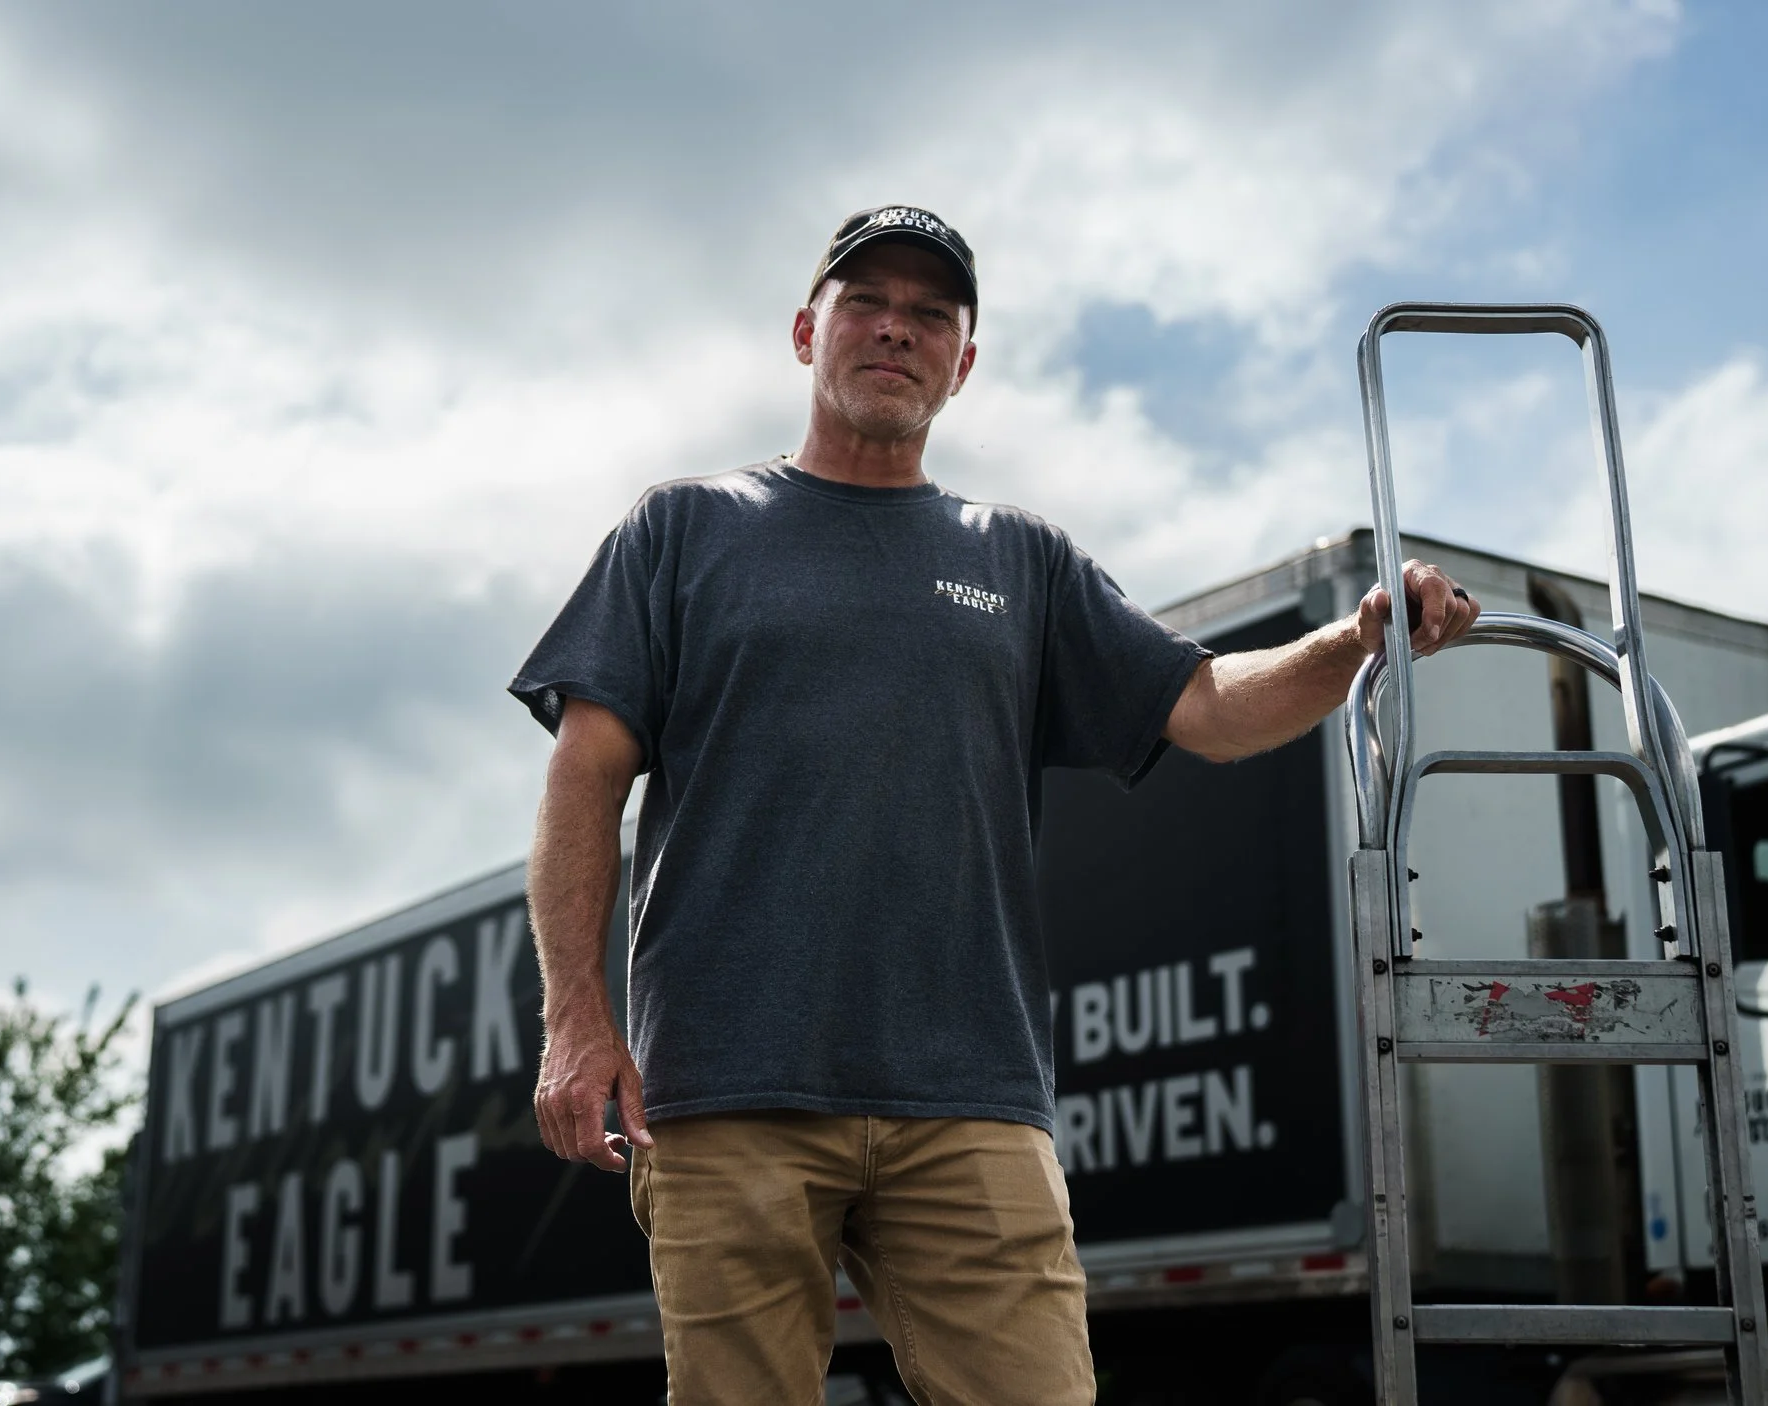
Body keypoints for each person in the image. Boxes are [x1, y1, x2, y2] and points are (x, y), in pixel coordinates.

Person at [510, 204, 1478, 1405]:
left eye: (930, 315)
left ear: (962, 364)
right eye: (867, 303)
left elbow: (1213, 709)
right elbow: (584, 775)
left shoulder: (1020, 556)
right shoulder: (684, 529)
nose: (895, 330)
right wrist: (576, 1019)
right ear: (808, 328)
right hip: (727, 1090)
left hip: (969, 1097)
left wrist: (1356, 638)